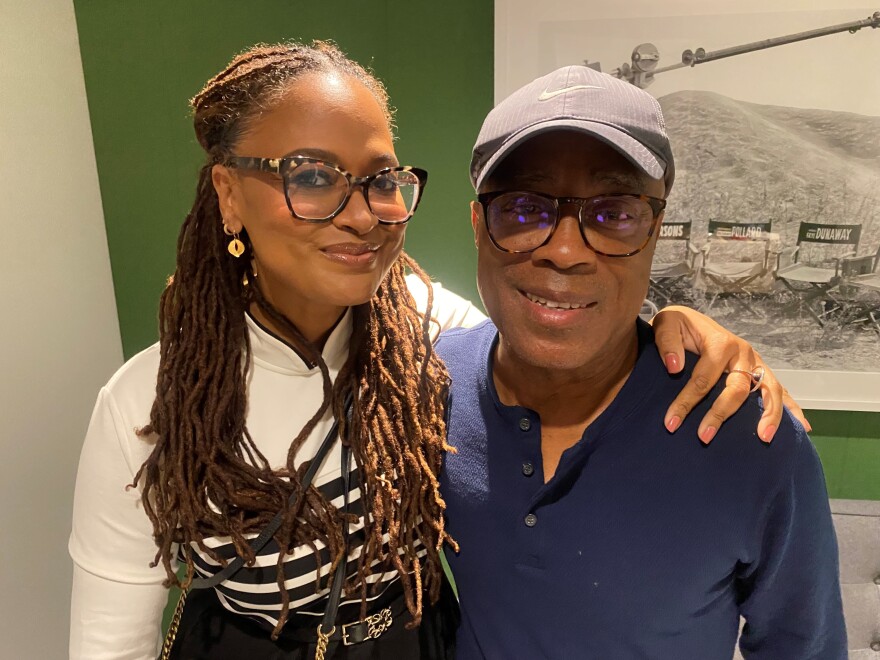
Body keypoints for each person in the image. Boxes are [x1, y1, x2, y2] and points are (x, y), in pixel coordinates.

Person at [69, 42, 804, 660]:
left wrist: (683, 323)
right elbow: (111, 638)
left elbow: (557, 315)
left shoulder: (425, 335)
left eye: (381, 180)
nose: (361, 214)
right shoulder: (152, 401)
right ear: (229, 195)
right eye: (312, 176)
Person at [436, 65, 846, 659]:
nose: (566, 251)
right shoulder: (424, 395)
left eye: (614, 213)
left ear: (655, 233)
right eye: (524, 209)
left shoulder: (752, 440)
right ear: (479, 226)